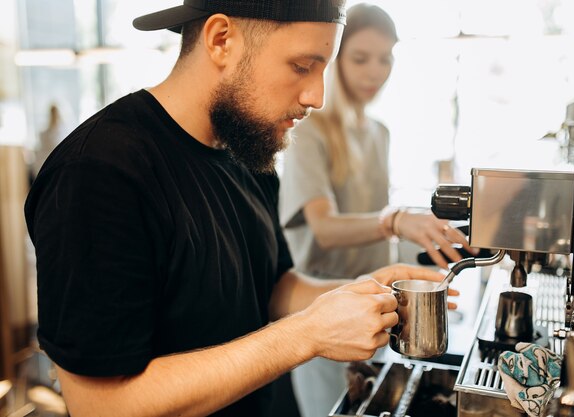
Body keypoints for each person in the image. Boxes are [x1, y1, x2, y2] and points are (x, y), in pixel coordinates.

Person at [23, 1, 454, 416]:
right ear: (221, 39)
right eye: (302, 67)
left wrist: (355, 294)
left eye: (324, 68)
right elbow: (102, 406)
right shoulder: (101, 172)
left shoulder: (246, 150)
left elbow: (270, 286)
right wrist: (305, 336)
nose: (317, 95)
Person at [279, 4, 473, 416]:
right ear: (336, 59)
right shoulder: (309, 131)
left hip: (374, 310)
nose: (374, 71)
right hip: (324, 308)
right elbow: (325, 227)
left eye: (385, 58)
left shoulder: (378, 133)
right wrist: (396, 221)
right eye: (360, 58)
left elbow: (375, 225)